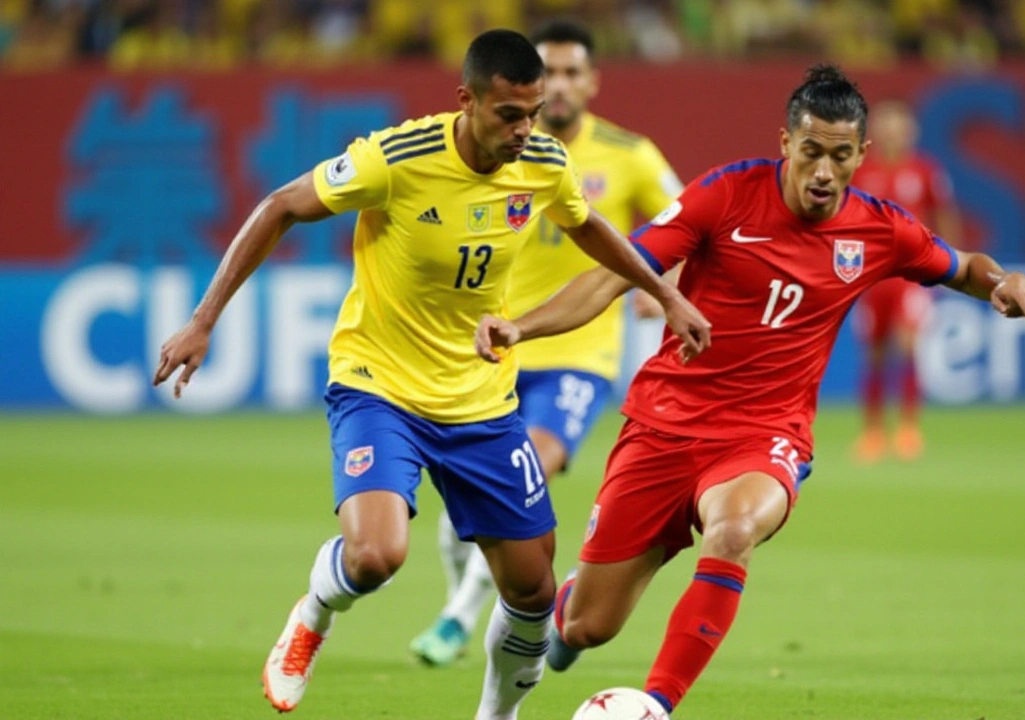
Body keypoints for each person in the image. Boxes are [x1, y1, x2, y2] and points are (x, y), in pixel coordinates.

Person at [150, 29, 709, 719]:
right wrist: (205, 319)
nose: (524, 129)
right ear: (466, 101)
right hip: (379, 384)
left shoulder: (541, 160)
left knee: (534, 594)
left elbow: (587, 224)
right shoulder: (396, 157)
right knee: (377, 556)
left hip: (479, 395)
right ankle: (315, 615)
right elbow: (281, 207)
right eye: (509, 114)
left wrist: (668, 294)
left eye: (532, 113)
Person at [473, 65, 1025, 715]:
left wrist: (1002, 280)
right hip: (664, 426)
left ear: (860, 155)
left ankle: (656, 705)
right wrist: (522, 326)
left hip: (764, 435)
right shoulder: (725, 196)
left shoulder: (880, 228)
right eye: (811, 153)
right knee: (584, 628)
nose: (823, 172)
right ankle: (575, 607)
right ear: (786, 143)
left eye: (839, 156)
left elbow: (961, 266)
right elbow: (615, 275)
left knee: (735, 527)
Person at [410, 19, 685, 668]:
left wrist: (663, 282)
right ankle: (463, 593)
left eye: (569, 73)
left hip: (578, 354)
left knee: (535, 460)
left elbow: (686, 223)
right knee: (460, 513)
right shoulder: (496, 152)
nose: (558, 86)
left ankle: (456, 618)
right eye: (548, 73)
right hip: (489, 348)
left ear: (591, 82)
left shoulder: (629, 154)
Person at [847, 99, 963, 463]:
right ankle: (872, 431)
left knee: (909, 343)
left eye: (899, 124)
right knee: (875, 353)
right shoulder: (860, 171)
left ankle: (909, 428)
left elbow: (945, 216)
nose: (892, 131)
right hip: (870, 275)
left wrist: (953, 265)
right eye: (886, 124)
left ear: (911, 130)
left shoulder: (926, 171)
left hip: (913, 273)